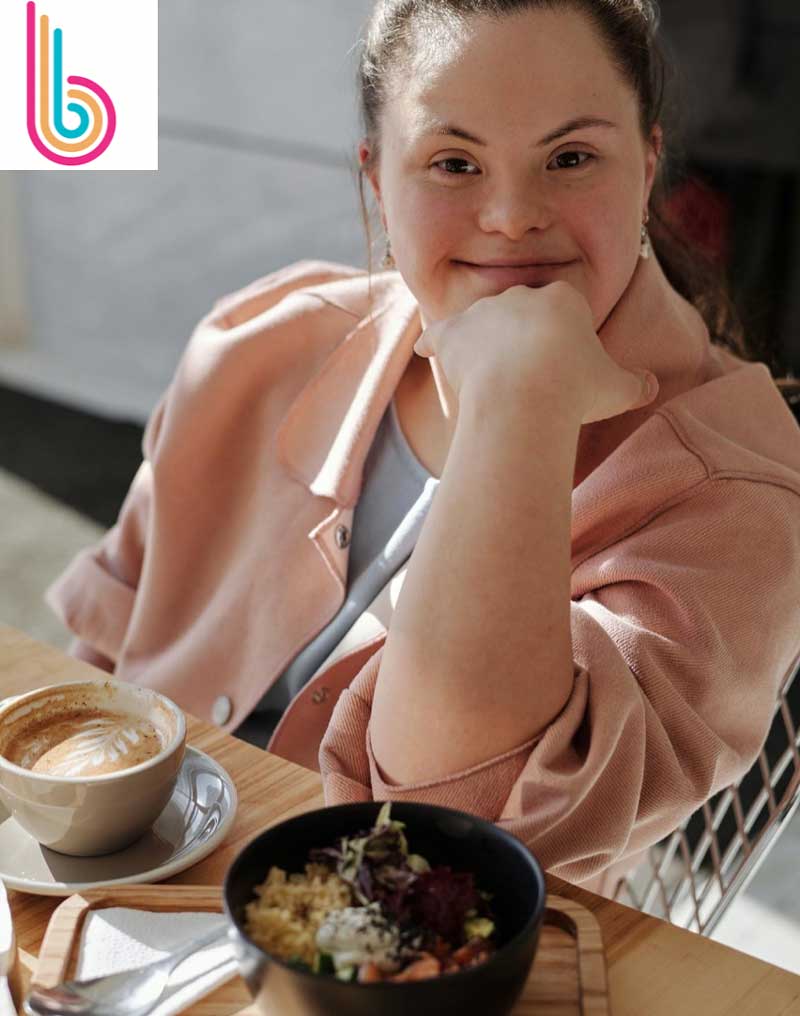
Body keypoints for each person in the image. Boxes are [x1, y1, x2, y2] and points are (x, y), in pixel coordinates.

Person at [46, 0, 800, 900]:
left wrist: (517, 403)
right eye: (453, 162)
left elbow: (459, 842)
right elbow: (96, 659)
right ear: (376, 181)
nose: (514, 216)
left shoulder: (735, 488)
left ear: (646, 168)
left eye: (570, 158)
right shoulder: (260, 341)